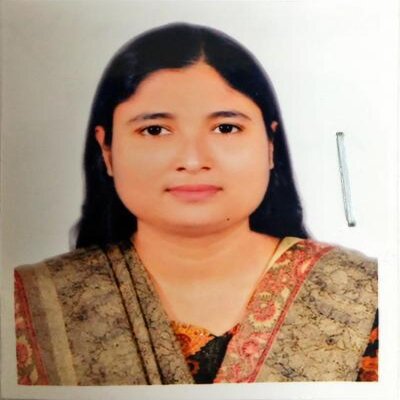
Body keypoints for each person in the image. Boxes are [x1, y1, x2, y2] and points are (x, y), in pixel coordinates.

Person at [14, 22, 378, 385]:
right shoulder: (32, 302)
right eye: (155, 130)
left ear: (270, 144)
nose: (192, 160)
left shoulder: (363, 294)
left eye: (226, 128)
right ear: (106, 149)